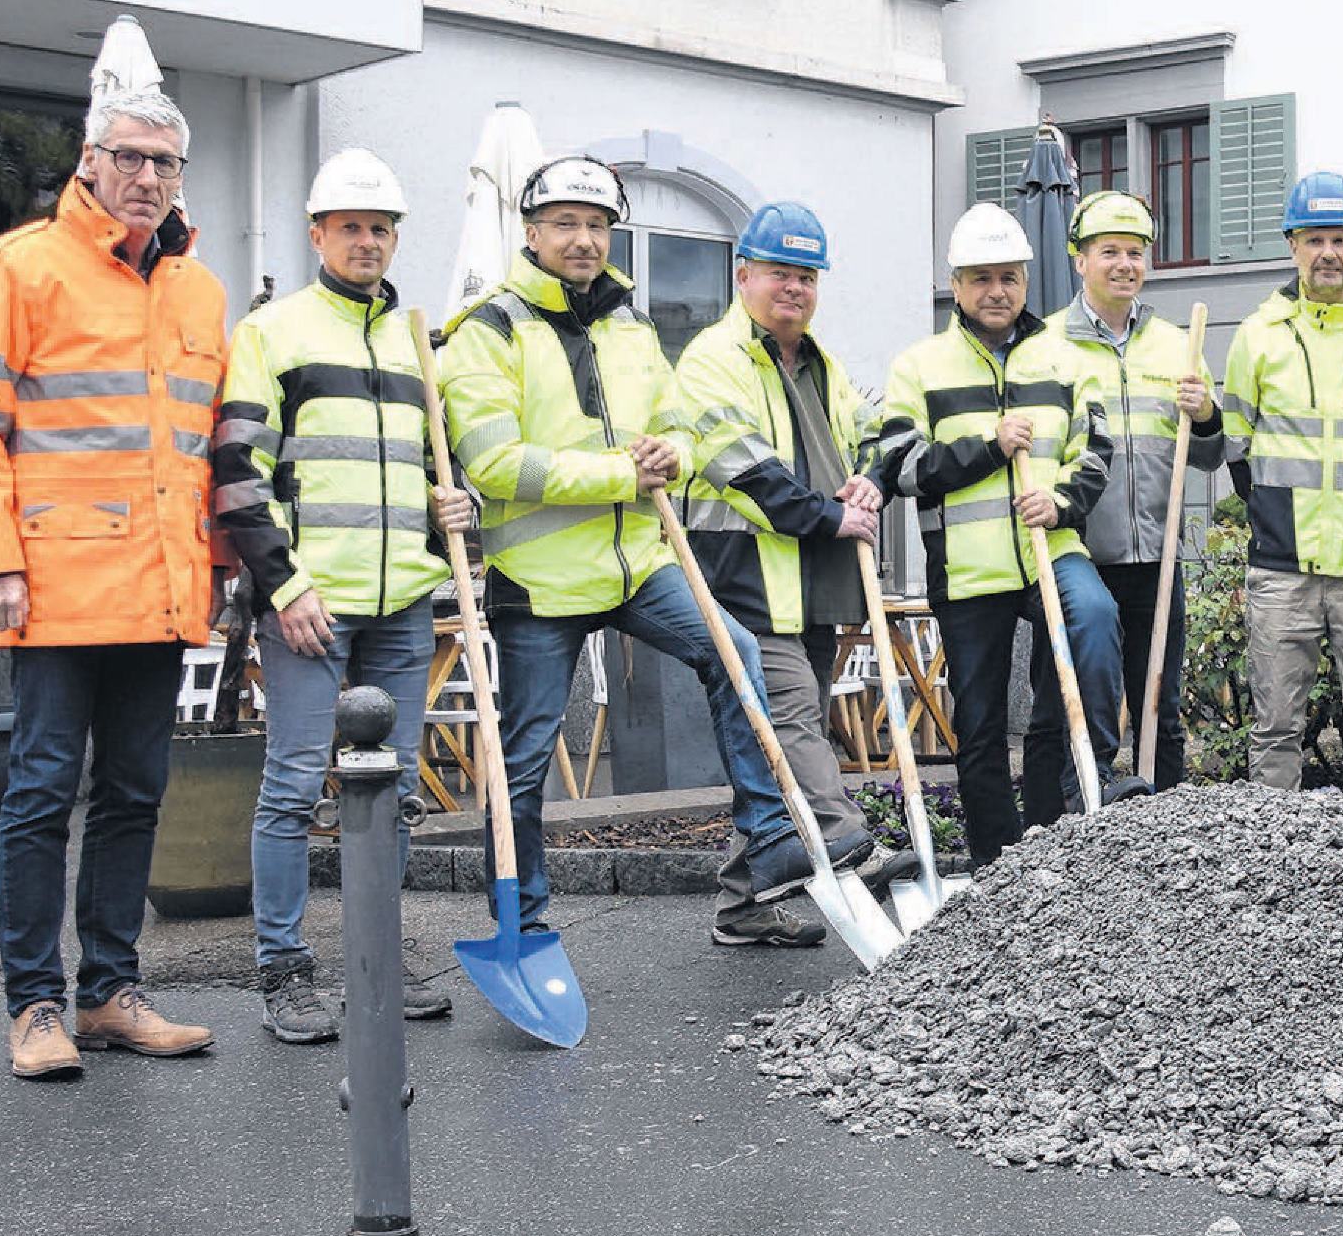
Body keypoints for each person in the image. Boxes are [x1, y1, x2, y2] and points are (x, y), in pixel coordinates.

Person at [439, 157, 856, 952]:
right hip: (542, 579)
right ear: (530, 234)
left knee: (735, 657)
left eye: (596, 225)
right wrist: (620, 472)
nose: (584, 239)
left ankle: (768, 835)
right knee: (523, 756)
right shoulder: (488, 329)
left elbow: (681, 429)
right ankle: (520, 918)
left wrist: (672, 454)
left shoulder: (630, 325)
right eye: (565, 224)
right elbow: (494, 461)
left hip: (637, 561)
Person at [0, 85, 227, 1078]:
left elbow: (206, 448)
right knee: (39, 790)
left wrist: (219, 570)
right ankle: (34, 1007)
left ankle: (107, 992)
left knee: (136, 790)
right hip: (51, 582)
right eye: (131, 157)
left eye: (167, 162)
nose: (149, 177)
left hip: (157, 584)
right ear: (89, 162)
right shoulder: (17, 269)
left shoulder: (198, 289)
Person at [213, 150, 472, 1042]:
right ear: (318, 233)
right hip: (310, 604)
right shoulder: (273, 332)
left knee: (393, 789)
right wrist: (283, 585)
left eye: (382, 228)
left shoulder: (419, 341)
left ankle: (377, 955)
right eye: (351, 227)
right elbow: (239, 475)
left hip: (405, 598)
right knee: (292, 786)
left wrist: (454, 510)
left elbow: (444, 466)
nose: (368, 241)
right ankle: (282, 969)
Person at [866, 203, 1119, 866]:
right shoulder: (918, 367)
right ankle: (994, 863)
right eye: (980, 278)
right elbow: (900, 466)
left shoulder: (1065, 359)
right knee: (977, 723)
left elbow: (1096, 450)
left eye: (1008, 276)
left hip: (1050, 553)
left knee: (1091, 620)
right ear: (955, 286)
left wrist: (1060, 502)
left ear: (1027, 282)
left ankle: (1052, 825)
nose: (996, 290)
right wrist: (987, 447)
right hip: (967, 570)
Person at [673, 200, 889, 936]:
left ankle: (740, 905)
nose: (793, 288)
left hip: (814, 581)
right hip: (743, 578)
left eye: (806, 275)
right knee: (793, 715)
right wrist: (832, 516)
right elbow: (744, 471)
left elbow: (871, 428)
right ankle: (844, 835)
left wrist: (870, 477)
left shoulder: (819, 362)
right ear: (743, 276)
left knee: (782, 729)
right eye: (778, 273)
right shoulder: (712, 359)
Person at [1220, 172, 1343, 798]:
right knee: (1275, 725)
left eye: (1340, 238)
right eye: (1313, 240)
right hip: (1283, 567)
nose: (1327, 252)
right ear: (1292, 246)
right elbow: (1234, 443)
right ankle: (1273, 861)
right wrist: (1271, 517)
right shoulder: (1258, 334)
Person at [1042, 190, 1226, 790]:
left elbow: (1208, 455)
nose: (1125, 264)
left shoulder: (1178, 344)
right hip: (1081, 556)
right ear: (1079, 260)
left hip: (1158, 555)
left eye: (1135, 253)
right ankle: (1059, 830)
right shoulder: (1046, 347)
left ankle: (1163, 836)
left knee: (1160, 710)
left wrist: (1205, 417)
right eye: (1109, 252)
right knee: (1065, 707)